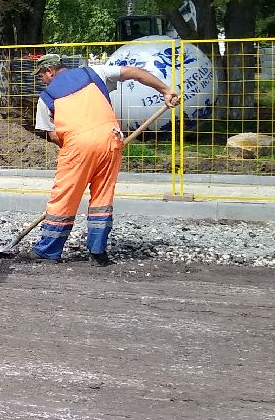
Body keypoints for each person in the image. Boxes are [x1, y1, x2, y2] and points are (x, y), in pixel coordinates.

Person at [30, 52, 180, 266]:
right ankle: (98, 251)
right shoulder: (94, 72)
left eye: (41, 76)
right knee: (102, 197)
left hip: (77, 145)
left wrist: (80, 150)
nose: (42, 80)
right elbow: (134, 72)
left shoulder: (46, 98)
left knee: (65, 197)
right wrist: (165, 90)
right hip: (111, 139)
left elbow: (53, 135)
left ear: (50, 71)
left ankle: (48, 250)